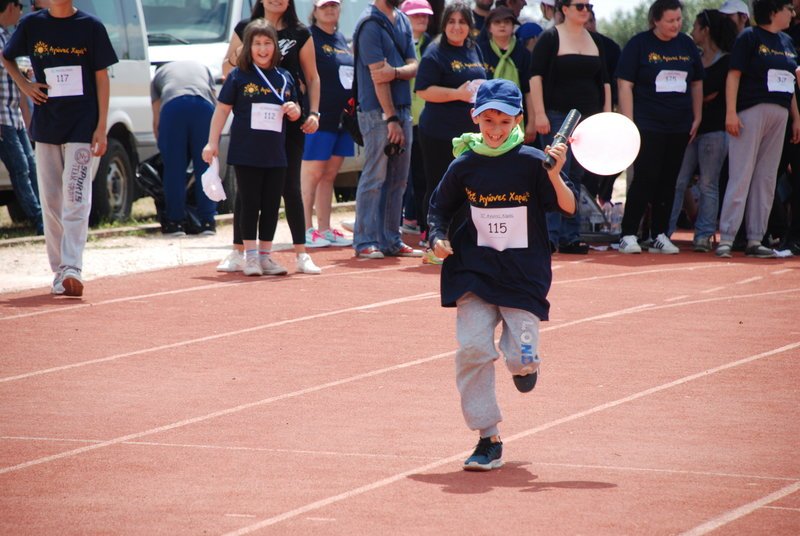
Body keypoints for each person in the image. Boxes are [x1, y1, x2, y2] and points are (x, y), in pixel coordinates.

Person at [427, 78, 575, 471]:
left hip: (522, 276)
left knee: (521, 358)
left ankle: (527, 364)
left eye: (503, 121)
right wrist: (438, 238)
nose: (494, 129)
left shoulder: (532, 163)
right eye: (487, 120)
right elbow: (438, 209)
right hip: (473, 273)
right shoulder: (464, 165)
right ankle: (487, 438)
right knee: (472, 349)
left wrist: (556, 174)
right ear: (476, 119)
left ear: (517, 121)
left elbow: (569, 207)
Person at [2, 0, 117, 297]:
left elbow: (102, 79)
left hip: (82, 126)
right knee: (52, 200)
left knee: (76, 195)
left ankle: (72, 267)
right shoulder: (31, 25)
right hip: (47, 126)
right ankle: (58, 271)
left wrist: (101, 127)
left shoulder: (91, 27)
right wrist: (25, 86)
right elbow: (7, 57)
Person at [218, 0, 322, 274]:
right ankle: (239, 252)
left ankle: (301, 253)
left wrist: (313, 113)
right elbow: (228, 71)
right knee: (247, 190)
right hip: (252, 125)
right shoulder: (244, 28)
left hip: (289, 120)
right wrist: (244, 48)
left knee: (288, 186)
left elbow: (312, 77)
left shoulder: (301, 32)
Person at [203, 20, 303, 276]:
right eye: (257, 43)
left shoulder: (284, 77)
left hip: (276, 154)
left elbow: (295, 108)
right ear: (248, 47)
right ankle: (249, 257)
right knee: (249, 204)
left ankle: (266, 257)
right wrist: (212, 142)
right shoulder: (238, 76)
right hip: (246, 152)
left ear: (275, 47)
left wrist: (295, 110)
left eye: (267, 43)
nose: (262, 49)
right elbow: (222, 110)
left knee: (271, 205)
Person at [615, 0, 703, 255]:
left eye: (679, 20)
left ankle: (660, 234)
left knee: (670, 181)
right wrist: (629, 123)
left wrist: (697, 116)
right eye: (670, 20)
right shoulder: (639, 44)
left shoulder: (686, 45)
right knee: (645, 178)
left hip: (679, 124)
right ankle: (628, 233)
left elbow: (696, 83)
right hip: (647, 123)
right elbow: (625, 84)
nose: (676, 25)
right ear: (656, 20)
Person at [717, 0, 800, 258]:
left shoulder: (786, 41)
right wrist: (731, 112)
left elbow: (789, 82)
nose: (793, 13)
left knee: (766, 177)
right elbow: (734, 75)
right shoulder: (749, 37)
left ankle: (756, 237)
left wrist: (796, 117)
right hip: (751, 111)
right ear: (774, 11)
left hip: (781, 112)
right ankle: (727, 238)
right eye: (789, 9)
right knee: (741, 174)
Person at [531, 0, 611, 254]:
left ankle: (570, 236)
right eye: (579, 5)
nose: (585, 10)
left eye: (588, 5)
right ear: (564, 9)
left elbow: (605, 82)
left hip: (589, 118)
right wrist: (540, 114)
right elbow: (535, 77)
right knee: (556, 171)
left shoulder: (595, 40)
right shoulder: (550, 37)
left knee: (576, 175)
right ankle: (550, 235)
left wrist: (606, 115)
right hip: (557, 115)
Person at [416, 2, 486, 263]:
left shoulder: (473, 49)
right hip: (438, 133)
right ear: (444, 25)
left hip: (468, 134)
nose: (457, 27)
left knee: (466, 188)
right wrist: (457, 94)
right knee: (439, 187)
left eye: (462, 22)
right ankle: (433, 243)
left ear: (470, 26)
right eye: (451, 22)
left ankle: (458, 243)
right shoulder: (435, 52)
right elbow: (423, 90)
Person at [351, 0, 421, 259]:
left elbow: (414, 65)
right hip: (376, 112)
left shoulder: (402, 18)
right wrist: (391, 118)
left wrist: (394, 72)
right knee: (375, 177)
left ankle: (391, 239)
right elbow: (377, 77)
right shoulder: (370, 24)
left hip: (402, 109)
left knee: (399, 179)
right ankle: (364, 241)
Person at [668, 10, 737, 252]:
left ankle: (704, 235)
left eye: (695, 27)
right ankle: (665, 232)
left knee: (709, 183)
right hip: (690, 129)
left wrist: (698, 94)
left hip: (715, 130)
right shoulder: (692, 57)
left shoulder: (727, 60)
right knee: (678, 181)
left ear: (705, 30)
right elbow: (696, 92)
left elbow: (708, 92)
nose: (691, 31)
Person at [300, 0, 354, 248]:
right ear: (315, 10)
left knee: (329, 175)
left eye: (334, 5)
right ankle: (304, 229)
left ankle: (323, 228)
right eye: (324, 6)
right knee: (311, 175)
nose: (330, 10)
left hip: (342, 120)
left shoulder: (342, 39)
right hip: (319, 118)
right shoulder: (309, 36)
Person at [151, 60, 218, 236]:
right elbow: (215, 97)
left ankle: (175, 223)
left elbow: (156, 119)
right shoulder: (204, 67)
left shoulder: (157, 76)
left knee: (174, 169)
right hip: (203, 107)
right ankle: (207, 222)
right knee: (206, 166)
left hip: (173, 108)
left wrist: (165, 144)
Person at [0, 0, 42, 236]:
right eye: (20, 5)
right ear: (10, 7)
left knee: (31, 165)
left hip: (14, 115)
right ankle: (39, 219)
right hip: (2, 119)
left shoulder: (9, 36)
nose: (22, 12)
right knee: (21, 168)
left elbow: (19, 86)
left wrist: (29, 122)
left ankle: (45, 216)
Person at [399, 0, 433, 237]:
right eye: (415, 15)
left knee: (423, 176)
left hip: (426, 120)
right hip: (400, 117)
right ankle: (400, 222)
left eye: (425, 15)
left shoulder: (433, 45)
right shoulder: (397, 42)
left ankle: (423, 226)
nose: (421, 19)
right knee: (399, 178)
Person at [479, 6, 535, 142]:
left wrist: (532, 122)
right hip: (486, 116)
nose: (502, 25)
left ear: (513, 27)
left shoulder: (524, 54)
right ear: (489, 28)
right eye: (497, 22)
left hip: (517, 116)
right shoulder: (480, 51)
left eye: (507, 22)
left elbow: (529, 91)